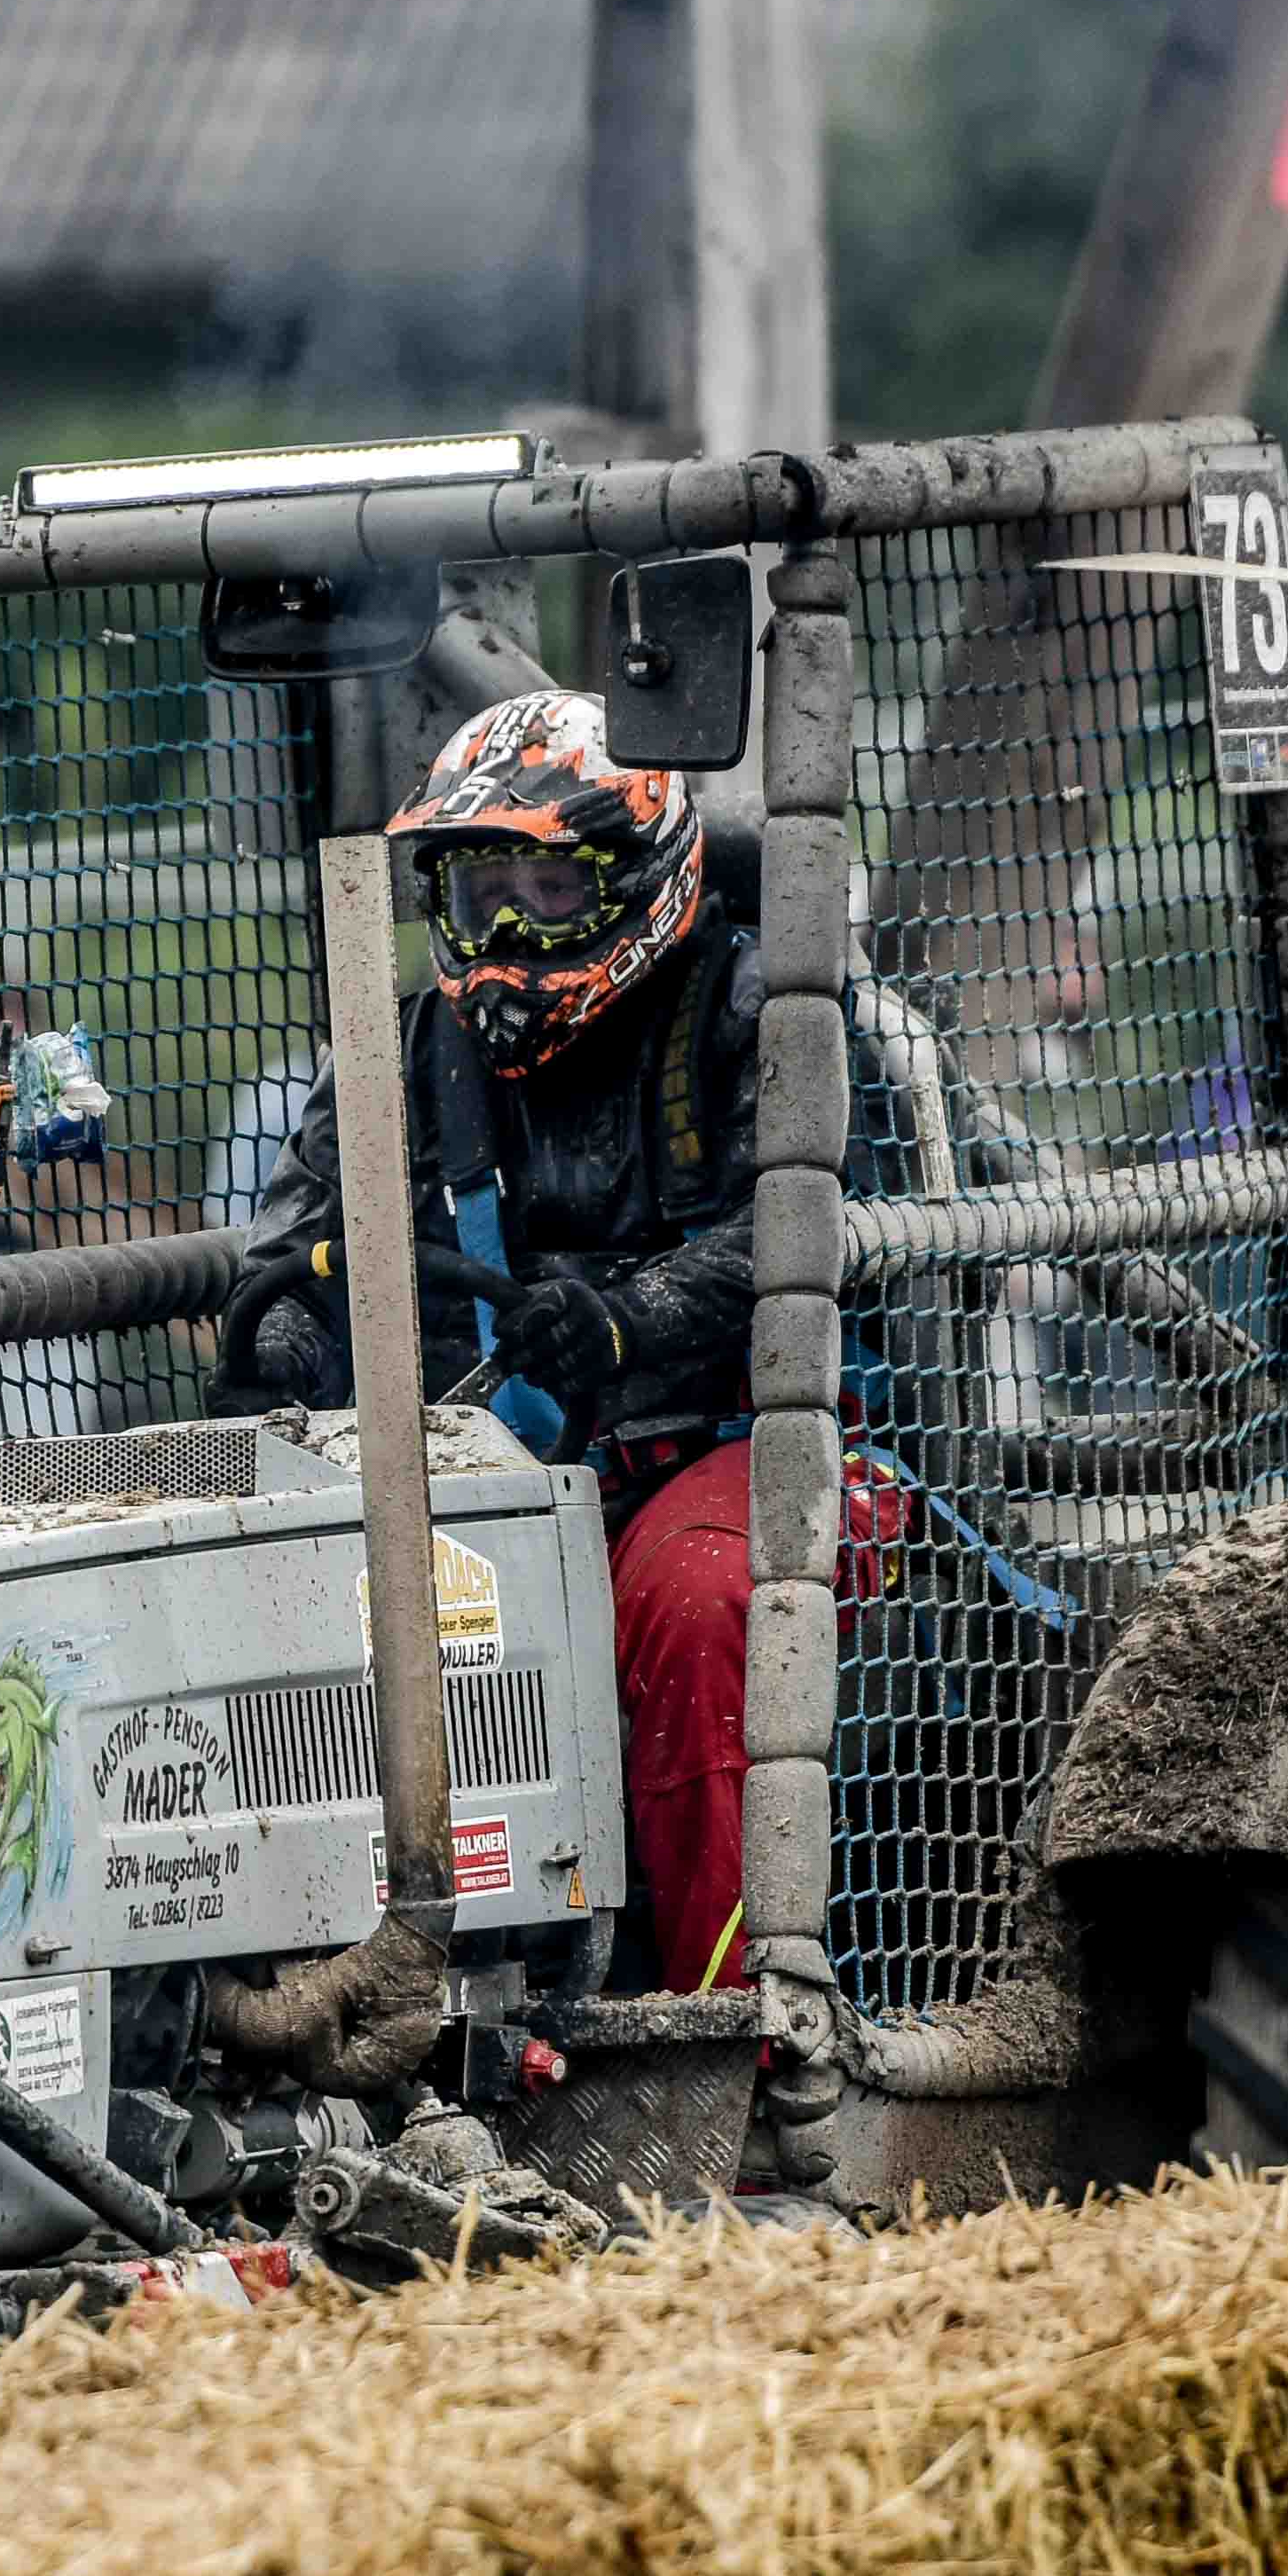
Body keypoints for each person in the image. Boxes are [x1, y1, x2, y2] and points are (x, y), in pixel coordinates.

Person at [222, 688, 774, 2022]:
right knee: (296, 1614)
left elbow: (803, 1226)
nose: (512, 930)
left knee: (696, 1607)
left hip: (764, 1452)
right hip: (492, 1481)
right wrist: (285, 1346)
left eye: (550, 886)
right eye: (484, 893)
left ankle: (726, 2037)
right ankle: (344, 2022)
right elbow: (283, 1259)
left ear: (638, 877)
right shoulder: (403, 1051)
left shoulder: (759, 1004)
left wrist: (628, 1316)